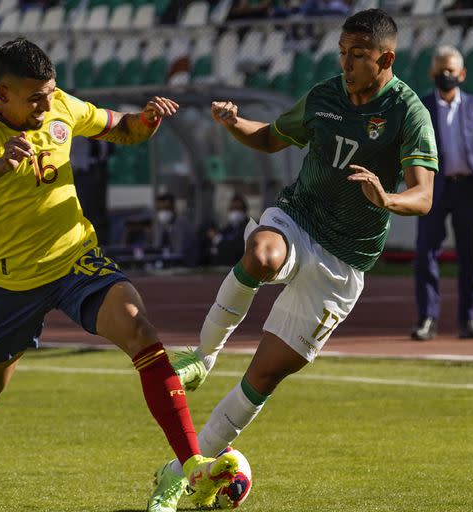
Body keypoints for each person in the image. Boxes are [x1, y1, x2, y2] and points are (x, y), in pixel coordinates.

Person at [146, 9, 438, 511]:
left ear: (385, 59)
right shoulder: (325, 96)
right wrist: (236, 122)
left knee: (264, 376)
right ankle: (204, 355)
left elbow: (424, 194)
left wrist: (387, 199)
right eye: (342, 52)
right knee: (260, 254)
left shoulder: (408, 113)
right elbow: (270, 138)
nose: (345, 63)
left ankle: (176, 475)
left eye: (358, 56)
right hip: (299, 218)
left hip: (345, 261)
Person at [0, 38, 239, 509]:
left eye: (50, 92)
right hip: (13, 282)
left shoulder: (61, 105)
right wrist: (3, 162)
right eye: (34, 97)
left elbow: (119, 128)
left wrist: (145, 121)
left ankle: (193, 464)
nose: (46, 103)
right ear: (3, 94)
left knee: (141, 330)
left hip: (77, 259)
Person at [411, 45, 473, 341]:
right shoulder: (420, 108)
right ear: (432, 72)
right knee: (425, 254)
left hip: (469, 189)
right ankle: (427, 319)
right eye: (441, 70)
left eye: (451, 70)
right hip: (433, 189)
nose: (446, 75)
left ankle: (468, 319)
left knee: (471, 256)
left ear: (462, 73)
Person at [152, 193, 199, 266]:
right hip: (169, 262)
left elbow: (179, 250)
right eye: (159, 209)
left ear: (173, 207)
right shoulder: (160, 225)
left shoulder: (181, 223)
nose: (162, 212)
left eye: (166, 208)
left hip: (185, 263)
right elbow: (157, 247)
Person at [205, 194, 250, 266]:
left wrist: (217, 239)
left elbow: (236, 248)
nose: (235, 212)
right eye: (232, 209)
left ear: (244, 210)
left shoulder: (249, 228)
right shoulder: (227, 229)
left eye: (238, 208)